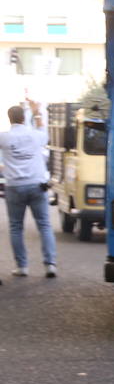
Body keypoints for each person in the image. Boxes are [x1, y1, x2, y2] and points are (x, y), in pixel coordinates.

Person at [1, 104, 57, 278]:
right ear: (23, 118)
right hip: (36, 185)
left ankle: (22, 267)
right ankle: (50, 265)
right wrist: (37, 113)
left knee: (16, 227)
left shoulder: (4, 138)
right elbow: (44, 132)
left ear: (9, 118)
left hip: (14, 186)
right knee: (45, 225)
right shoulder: (35, 136)